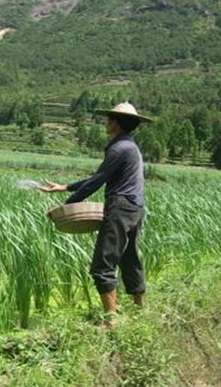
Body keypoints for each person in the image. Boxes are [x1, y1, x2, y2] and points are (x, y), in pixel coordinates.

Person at [39, 101, 153, 327]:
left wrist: (66, 205)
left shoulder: (118, 148)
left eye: (109, 119)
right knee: (129, 259)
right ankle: (139, 310)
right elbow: (100, 176)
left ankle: (111, 319)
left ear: (116, 123)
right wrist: (65, 186)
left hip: (120, 208)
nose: (106, 123)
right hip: (135, 208)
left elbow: (97, 181)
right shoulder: (130, 146)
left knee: (102, 265)